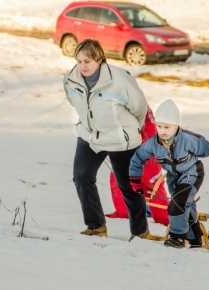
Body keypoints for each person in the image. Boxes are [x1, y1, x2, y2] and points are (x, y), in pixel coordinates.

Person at [63, 39, 151, 240]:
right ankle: (96, 227)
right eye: (79, 61)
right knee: (82, 176)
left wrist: (129, 131)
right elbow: (76, 103)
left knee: (128, 187)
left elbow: (139, 107)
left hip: (121, 140)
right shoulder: (70, 80)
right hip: (90, 136)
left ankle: (140, 232)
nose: (83, 66)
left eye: (88, 61)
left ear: (99, 59)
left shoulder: (118, 80)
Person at [129, 99, 209, 248]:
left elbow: (207, 149)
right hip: (173, 177)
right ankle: (195, 238)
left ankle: (177, 237)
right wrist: (136, 181)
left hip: (192, 173)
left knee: (177, 205)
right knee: (185, 205)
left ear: (176, 126)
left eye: (167, 127)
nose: (162, 130)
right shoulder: (153, 144)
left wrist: (198, 143)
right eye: (159, 126)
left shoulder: (187, 139)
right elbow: (137, 159)